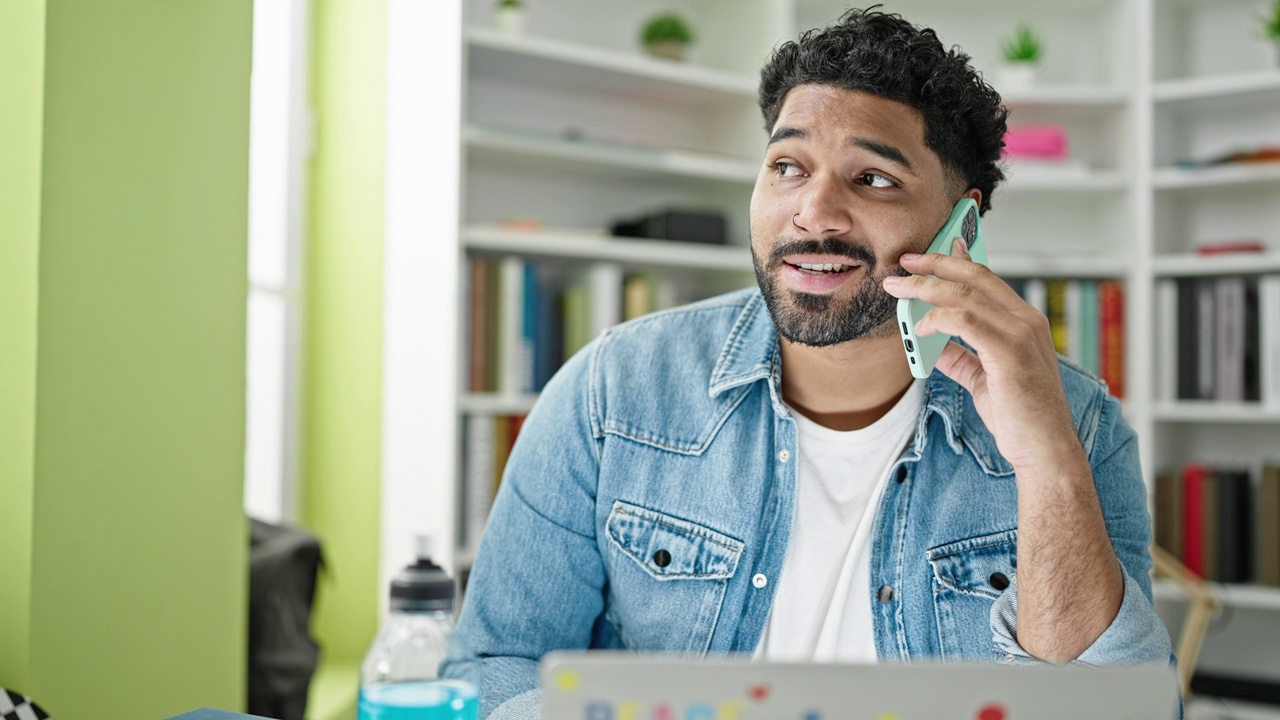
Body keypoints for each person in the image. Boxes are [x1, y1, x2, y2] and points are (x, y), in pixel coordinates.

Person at [443, 8, 1175, 719]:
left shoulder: (1075, 422)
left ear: (965, 223)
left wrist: (1046, 461)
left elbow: (1119, 710)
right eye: (788, 166)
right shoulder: (613, 392)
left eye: (874, 179)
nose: (814, 213)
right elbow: (495, 662)